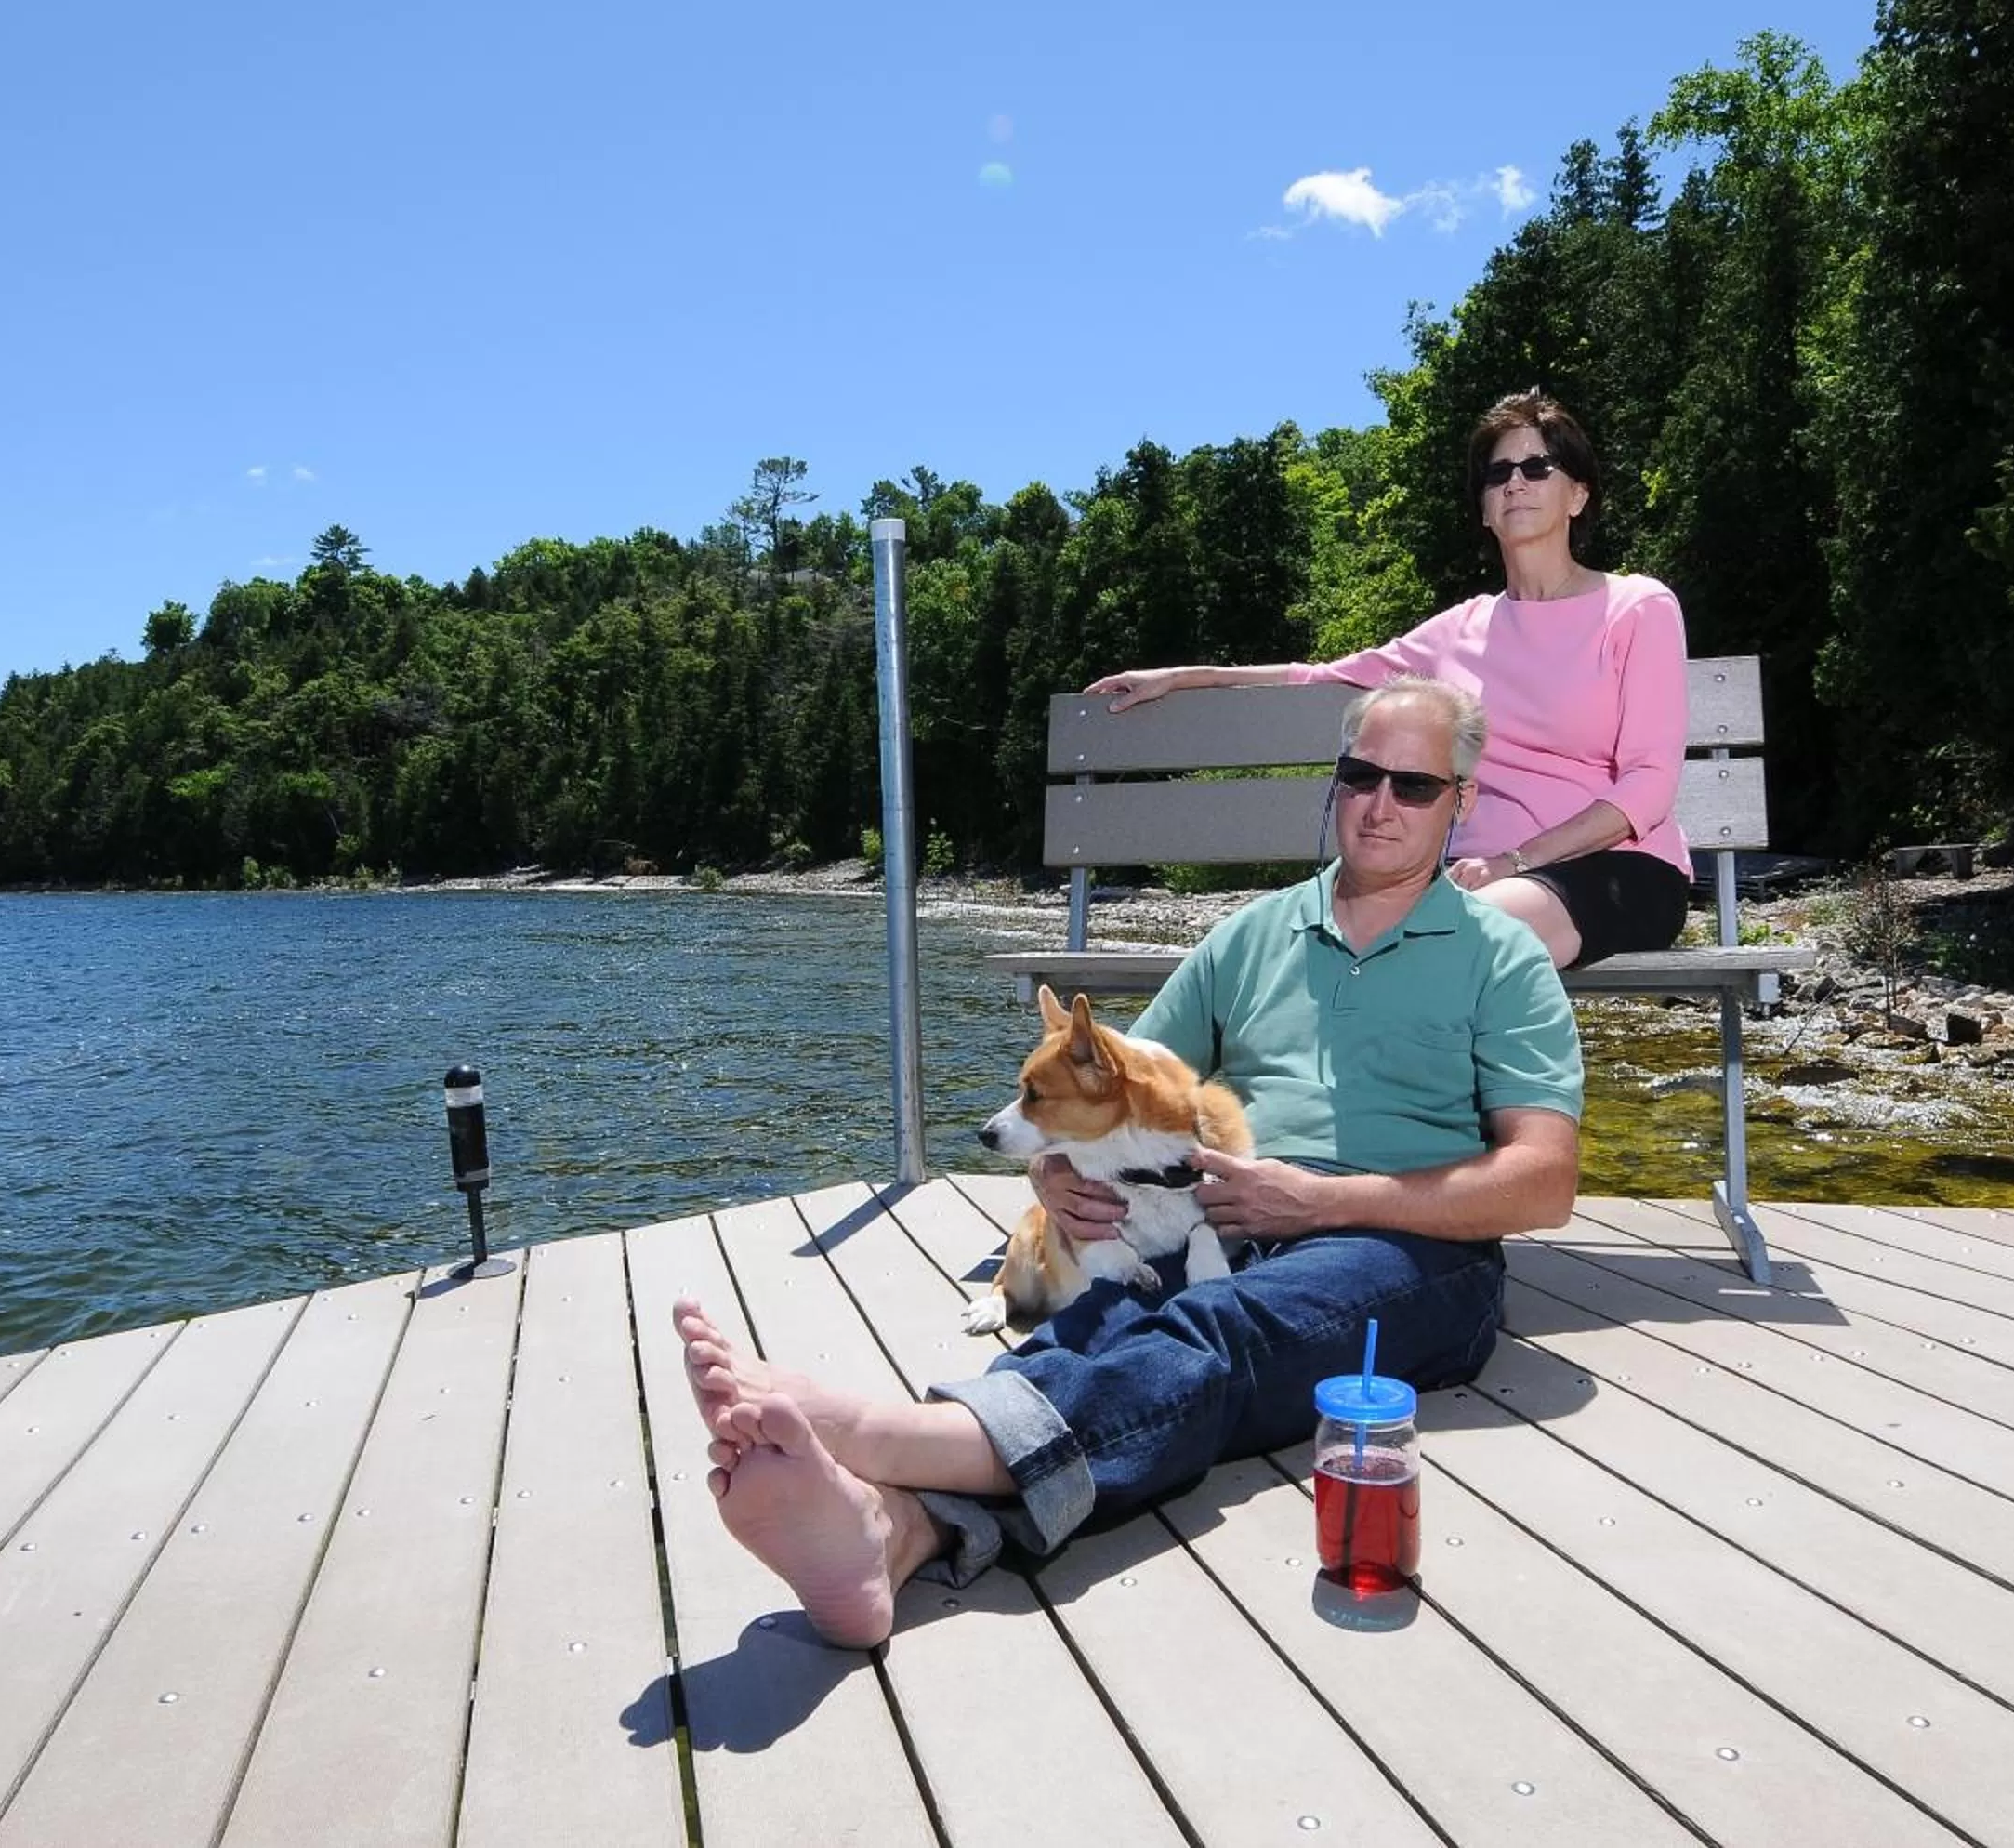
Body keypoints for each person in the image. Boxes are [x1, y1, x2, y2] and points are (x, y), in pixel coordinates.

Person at [672, 677, 1582, 1648]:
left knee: (1215, 1326)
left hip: (1412, 1251)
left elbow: (1545, 1181)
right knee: (1105, 1318)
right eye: (1361, 775)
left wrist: (1322, 1202)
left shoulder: (1500, 956)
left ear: (1464, 801)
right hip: (1227, 1218)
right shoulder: (1255, 936)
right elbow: (1106, 1091)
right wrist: (1054, 1170)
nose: (1380, 803)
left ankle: (882, 1436)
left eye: (1414, 785)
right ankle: (895, 1530)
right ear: (1336, 779)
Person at [1084, 390, 1691, 970]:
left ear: (1577, 495)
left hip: (1615, 869)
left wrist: (1515, 861)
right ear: (1484, 506)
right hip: (1463, 882)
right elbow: (1321, 675)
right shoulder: (1459, 631)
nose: (1515, 483)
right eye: (1498, 473)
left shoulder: (1636, 608)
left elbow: (1650, 785)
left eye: (1537, 467)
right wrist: (1186, 675)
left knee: (1443, 938)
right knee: (1311, 950)